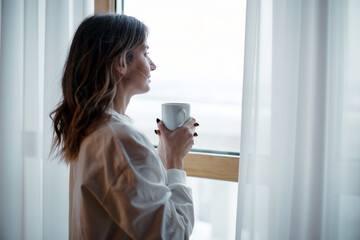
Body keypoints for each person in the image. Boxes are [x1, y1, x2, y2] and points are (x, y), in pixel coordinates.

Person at [50, 14, 198, 239]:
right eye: (146, 53)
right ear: (121, 62)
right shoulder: (119, 139)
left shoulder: (94, 129)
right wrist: (175, 161)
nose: (153, 65)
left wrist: (162, 154)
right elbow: (173, 234)